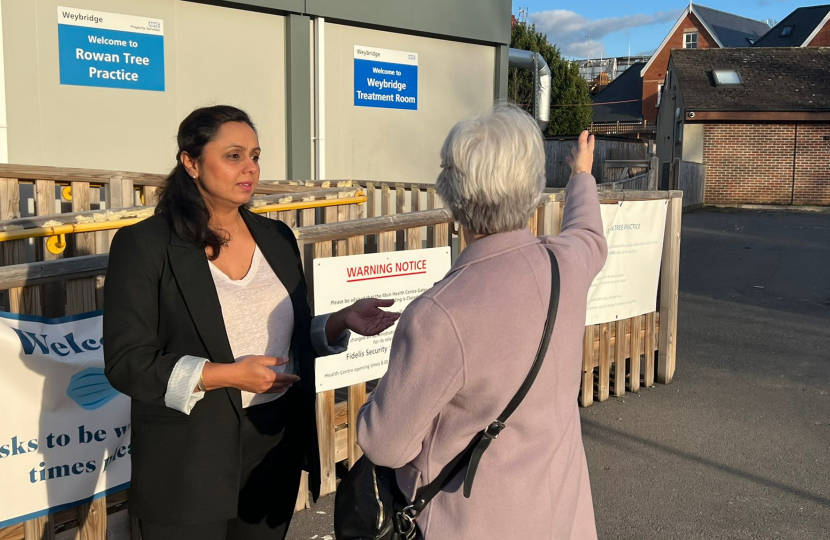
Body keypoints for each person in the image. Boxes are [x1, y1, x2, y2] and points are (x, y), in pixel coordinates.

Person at [103, 105, 399, 540]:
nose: (250, 169)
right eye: (234, 155)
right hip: (188, 455)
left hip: (272, 444)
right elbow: (127, 361)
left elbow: (285, 335)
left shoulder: (276, 238)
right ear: (190, 162)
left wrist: (337, 322)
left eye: (255, 156)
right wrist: (225, 376)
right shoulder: (144, 245)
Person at [356, 105, 607, 539]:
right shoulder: (565, 264)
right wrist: (581, 175)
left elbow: (386, 444)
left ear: (452, 196)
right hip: (561, 515)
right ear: (532, 188)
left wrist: (371, 404)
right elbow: (589, 234)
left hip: (473, 522)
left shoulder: (440, 314)